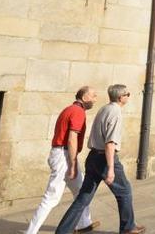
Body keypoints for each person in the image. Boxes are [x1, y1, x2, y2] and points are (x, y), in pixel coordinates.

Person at [55, 84, 145, 234]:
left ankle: (63, 231)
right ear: (121, 97)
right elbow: (110, 143)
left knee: (83, 198)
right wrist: (110, 169)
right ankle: (128, 228)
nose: (129, 96)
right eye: (127, 94)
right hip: (105, 158)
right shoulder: (115, 112)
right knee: (124, 191)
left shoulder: (104, 109)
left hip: (93, 158)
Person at [26, 87, 100, 234]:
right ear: (85, 97)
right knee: (51, 198)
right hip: (63, 156)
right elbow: (72, 139)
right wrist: (72, 164)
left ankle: (84, 223)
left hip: (63, 154)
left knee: (81, 190)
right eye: (93, 96)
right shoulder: (78, 112)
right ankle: (30, 232)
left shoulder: (70, 109)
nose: (95, 99)